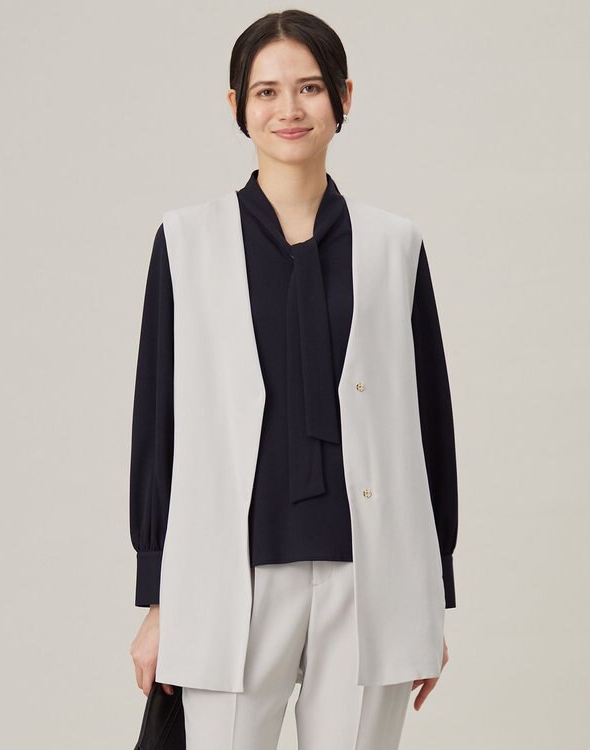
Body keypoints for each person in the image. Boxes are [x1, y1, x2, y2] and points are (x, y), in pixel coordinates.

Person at [129, 9, 458, 750]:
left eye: (309, 87)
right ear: (236, 105)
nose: (289, 109)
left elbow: (427, 425)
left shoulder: (393, 245)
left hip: (371, 576)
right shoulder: (187, 241)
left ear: (343, 97)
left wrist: (428, 594)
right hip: (230, 574)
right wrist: (158, 597)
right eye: (267, 91)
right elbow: (159, 422)